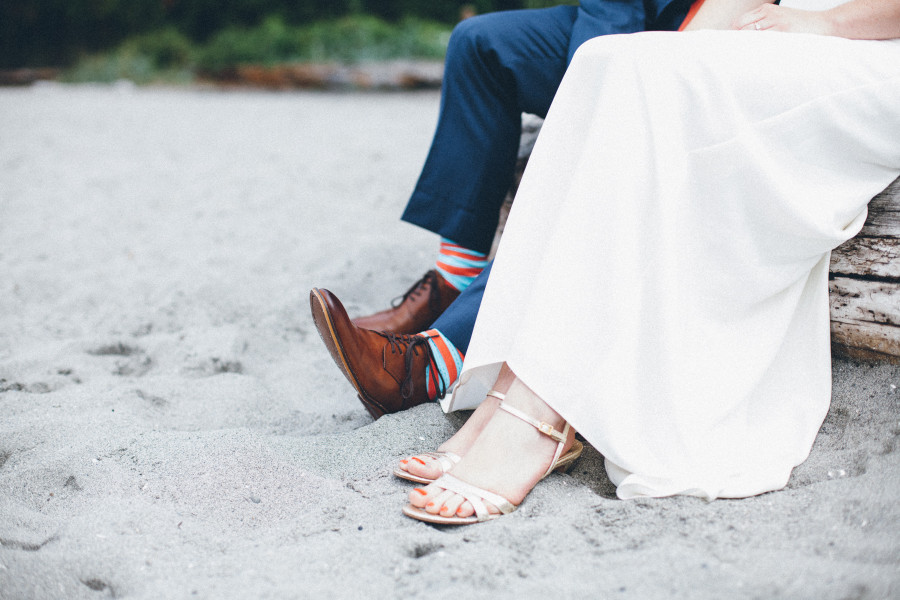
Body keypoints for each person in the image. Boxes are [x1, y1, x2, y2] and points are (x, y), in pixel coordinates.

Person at [389, 0, 900, 524]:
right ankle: (513, 380)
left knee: (640, 76)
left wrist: (819, 22)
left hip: (872, 51)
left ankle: (538, 410)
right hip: (793, 32)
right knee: (607, 60)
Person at [310, 0, 696, 418]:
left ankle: (431, 364)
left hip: (708, 26)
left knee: (589, 150)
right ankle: (452, 281)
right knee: (479, 43)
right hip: (624, 12)